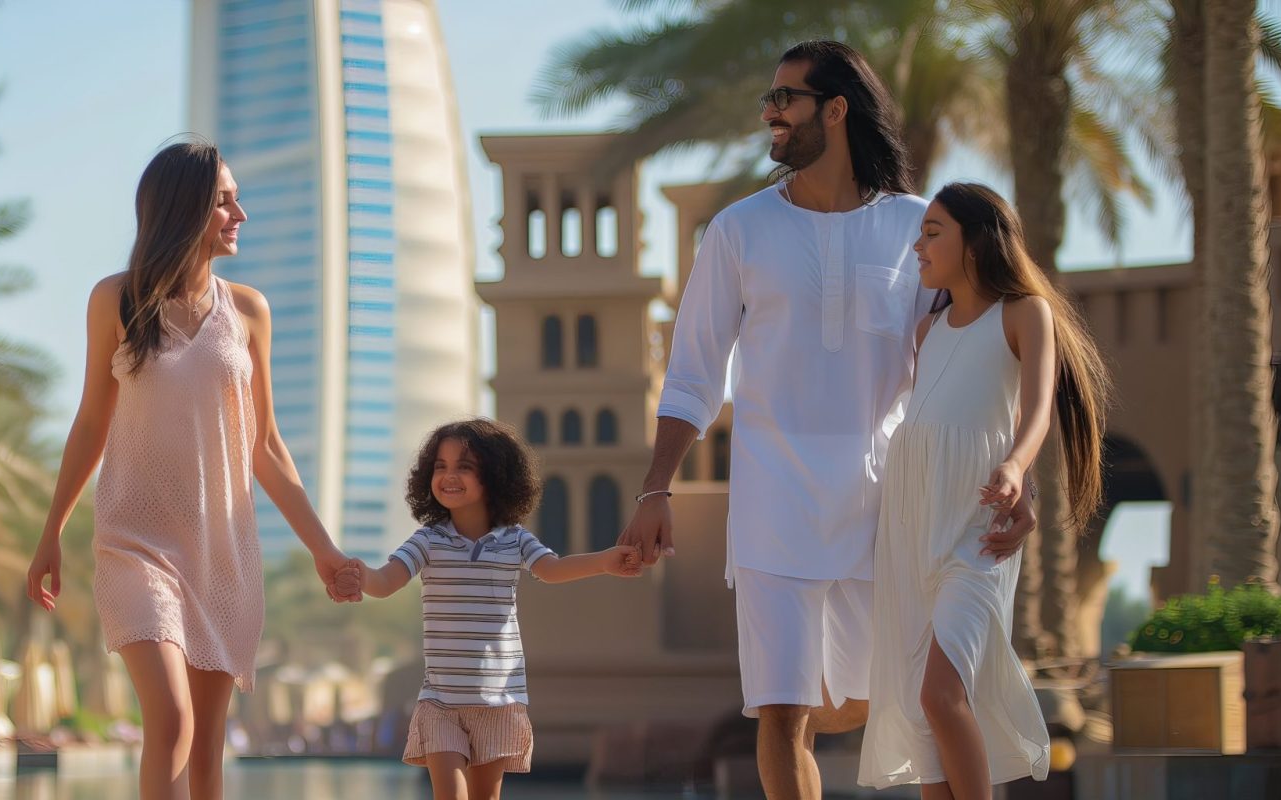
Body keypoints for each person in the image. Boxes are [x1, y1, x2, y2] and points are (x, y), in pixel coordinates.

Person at [614, 42, 1038, 800]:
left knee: (900, 702)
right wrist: (655, 490)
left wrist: (1017, 479)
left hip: (888, 503)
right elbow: (693, 373)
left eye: (786, 99)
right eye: (768, 101)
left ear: (836, 110)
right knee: (781, 711)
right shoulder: (737, 231)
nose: (771, 115)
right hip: (771, 504)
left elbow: (973, 360)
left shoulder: (918, 229)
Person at [24, 139, 360, 800]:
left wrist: (323, 550)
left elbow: (265, 446)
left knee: (207, 752)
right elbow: (91, 422)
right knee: (171, 720)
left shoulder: (250, 313)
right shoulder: (115, 301)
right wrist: (51, 533)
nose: (240, 214)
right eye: (224, 201)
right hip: (136, 543)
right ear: (184, 210)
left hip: (221, 555)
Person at [858, 183, 1108, 799]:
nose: (918, 244)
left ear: (977, 239)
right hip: (911, 532)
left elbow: (1037, 412)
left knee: (942, 695)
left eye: (934, 231)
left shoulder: (1024, 313)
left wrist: (1018, 469)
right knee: (922, 725)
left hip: (977, 532)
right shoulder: (927, 330)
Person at [339, 419, 640, 800]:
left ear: (496, 476)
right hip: (441, 702)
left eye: (464, 466)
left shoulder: (515, 540)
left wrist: (606, 562)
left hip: (498, 701)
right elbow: (385, 581)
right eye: (440, 466)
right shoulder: (428, 540)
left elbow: (552, 568)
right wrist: (357, 573)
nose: (449, 476)